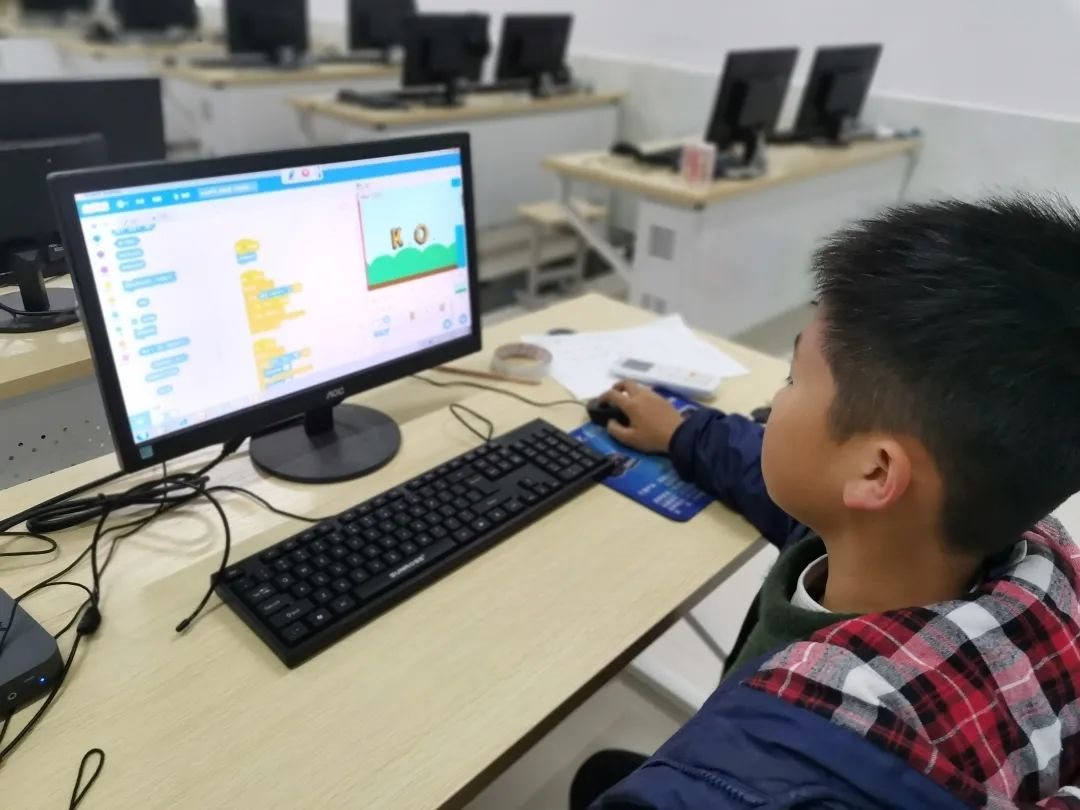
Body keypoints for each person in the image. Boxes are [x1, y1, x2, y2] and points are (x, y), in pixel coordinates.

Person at [573, 196, 1080, 809]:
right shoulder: (1030, 565)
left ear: (875, 471)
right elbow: (792, 484)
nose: (772, 403)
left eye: (792, 378)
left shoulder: (736, 787)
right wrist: (683, 432)